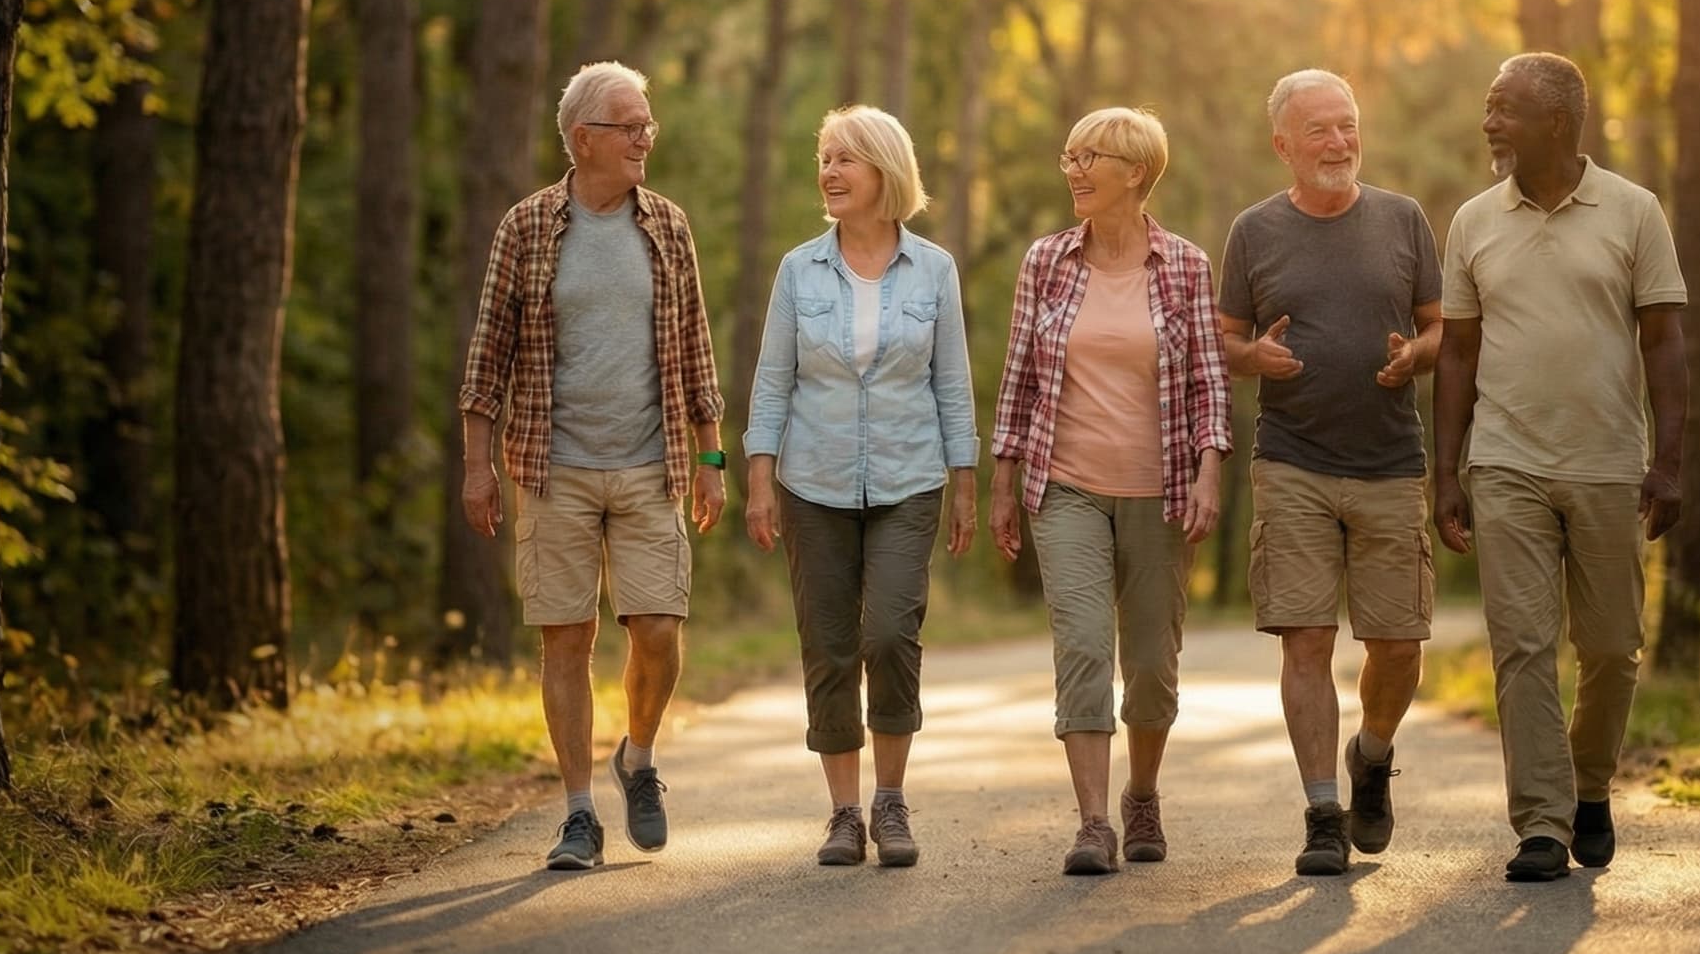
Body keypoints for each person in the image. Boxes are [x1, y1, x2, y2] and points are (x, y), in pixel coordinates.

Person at [458, 60, 728, 872]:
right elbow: (487, 355)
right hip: (552, 466)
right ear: (584, 139)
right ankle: (578, 815)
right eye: (631, 125)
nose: (647, 136)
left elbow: (696, 351)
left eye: (649, 123)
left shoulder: (668, 225)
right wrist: (478, 466)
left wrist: (713, 459)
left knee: (657, 629)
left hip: (654, 464)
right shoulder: (529, 226)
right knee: (565, 640)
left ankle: (637, 759)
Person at [1435, 52, 1688, 883]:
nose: (1489, 123)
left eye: (1503, 109)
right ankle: (1541, 824)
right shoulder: (1474, 220)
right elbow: (1459, 355)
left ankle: (1588, 788)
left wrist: (1671, 462)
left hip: (1610, 461)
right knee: (1522, 645)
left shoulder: (1633, 211)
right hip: (1505, 460)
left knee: (1613, 647)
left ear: (1557, 121)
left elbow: (1664, 342)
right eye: (1488, 106)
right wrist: (1448, 473)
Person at [988, 106, 1231, 876]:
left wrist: (1209, 467)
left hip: (1159, 492)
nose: (1074, 169)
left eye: (1091, 156)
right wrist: (1003, 479)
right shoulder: (1046, 261)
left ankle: (1143, 795)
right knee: (1085, 646)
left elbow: (1206, 380)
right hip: (1067, 487)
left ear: (1136, 171)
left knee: (1153, 661)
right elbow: (1021, 371)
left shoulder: (1186, 265)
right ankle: (1093, 822)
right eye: (1069, 155)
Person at [1216, 70, 1443, 878]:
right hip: (1294, 458)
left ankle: (1371, 758)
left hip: (1388, 461)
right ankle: (1320, 812)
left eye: (1346, 125)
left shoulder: (1403, 220)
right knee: (1306, 637)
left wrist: (1418, 354)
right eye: (1318, 130)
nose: (1338, 143)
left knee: (1400, 642)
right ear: (1283, 144)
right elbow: (1225, 341)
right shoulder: (1254, 231)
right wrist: (1255, 358)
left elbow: (1440, 326)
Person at [743, 106, 982, 869]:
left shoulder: (935, 269)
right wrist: (757, 478)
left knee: (889, 633)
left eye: (847, 158)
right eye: (825, 158)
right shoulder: (798, 269)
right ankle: (843, 814)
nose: (831, 171)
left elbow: (954, 385)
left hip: (910, 480)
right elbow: (772, 382)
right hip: (811, 484)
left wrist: (967, 483)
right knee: (830, 644)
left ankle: (890, 799)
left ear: (886, 169)